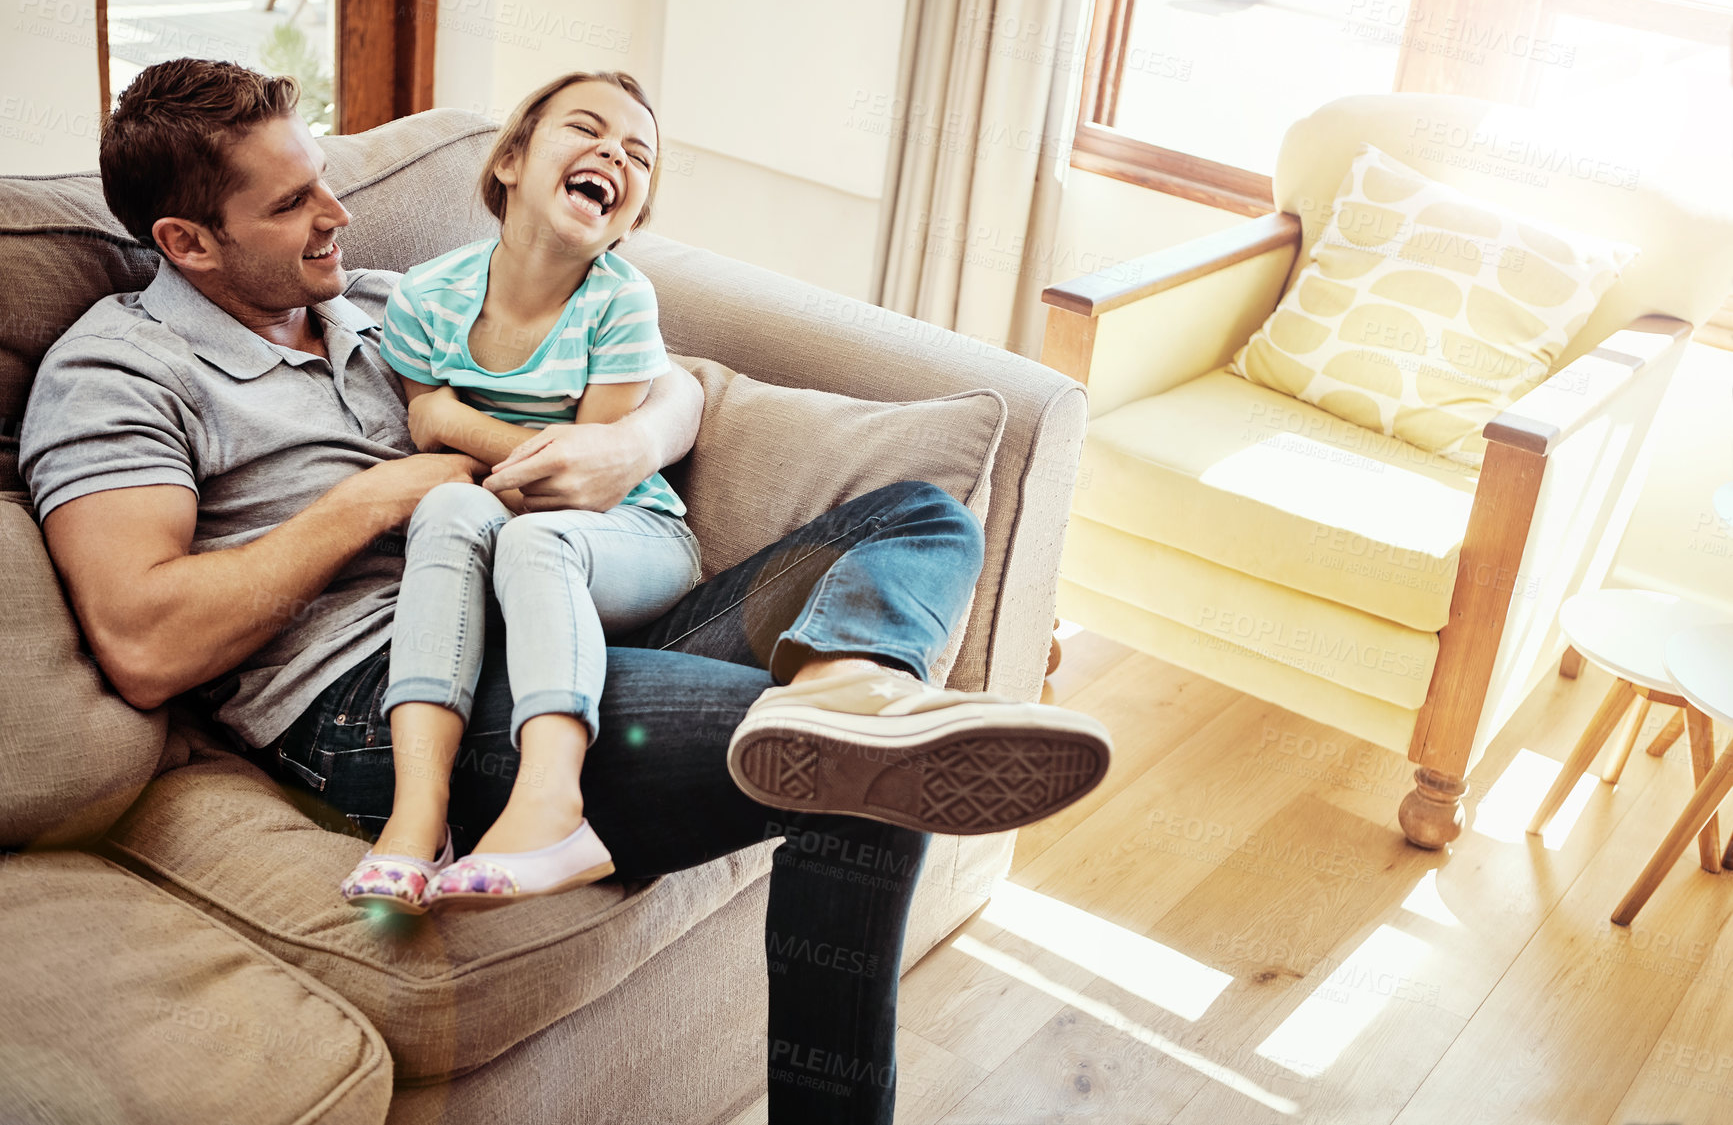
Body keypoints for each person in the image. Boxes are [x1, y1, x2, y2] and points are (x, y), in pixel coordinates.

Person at [19, 57, 1111, 1124]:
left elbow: (669, 382)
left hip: (560, 608)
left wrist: (621, 444)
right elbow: (145, 641)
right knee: (864, 769)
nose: (337, 213)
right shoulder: (120, 372)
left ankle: (857, 679)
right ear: (187, 242)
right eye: (293, 199)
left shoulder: (379, 304)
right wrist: (378, 496)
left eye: (325, 177)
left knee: (916, 516)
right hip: (384, 692)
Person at [349, 71, 697, 915]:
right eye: (586, 129)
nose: (613, 153)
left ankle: (553, 808)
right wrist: (431, 421)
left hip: (624, 532)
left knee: (530, 533)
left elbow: (577, 476)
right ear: (510, 159)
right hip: (501, 526)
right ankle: (416, 817)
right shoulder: (425, 299)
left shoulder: (620, 304)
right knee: (445, 507)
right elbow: (431, 453)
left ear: (629, 218)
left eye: (637, 156)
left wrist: (448, 416)